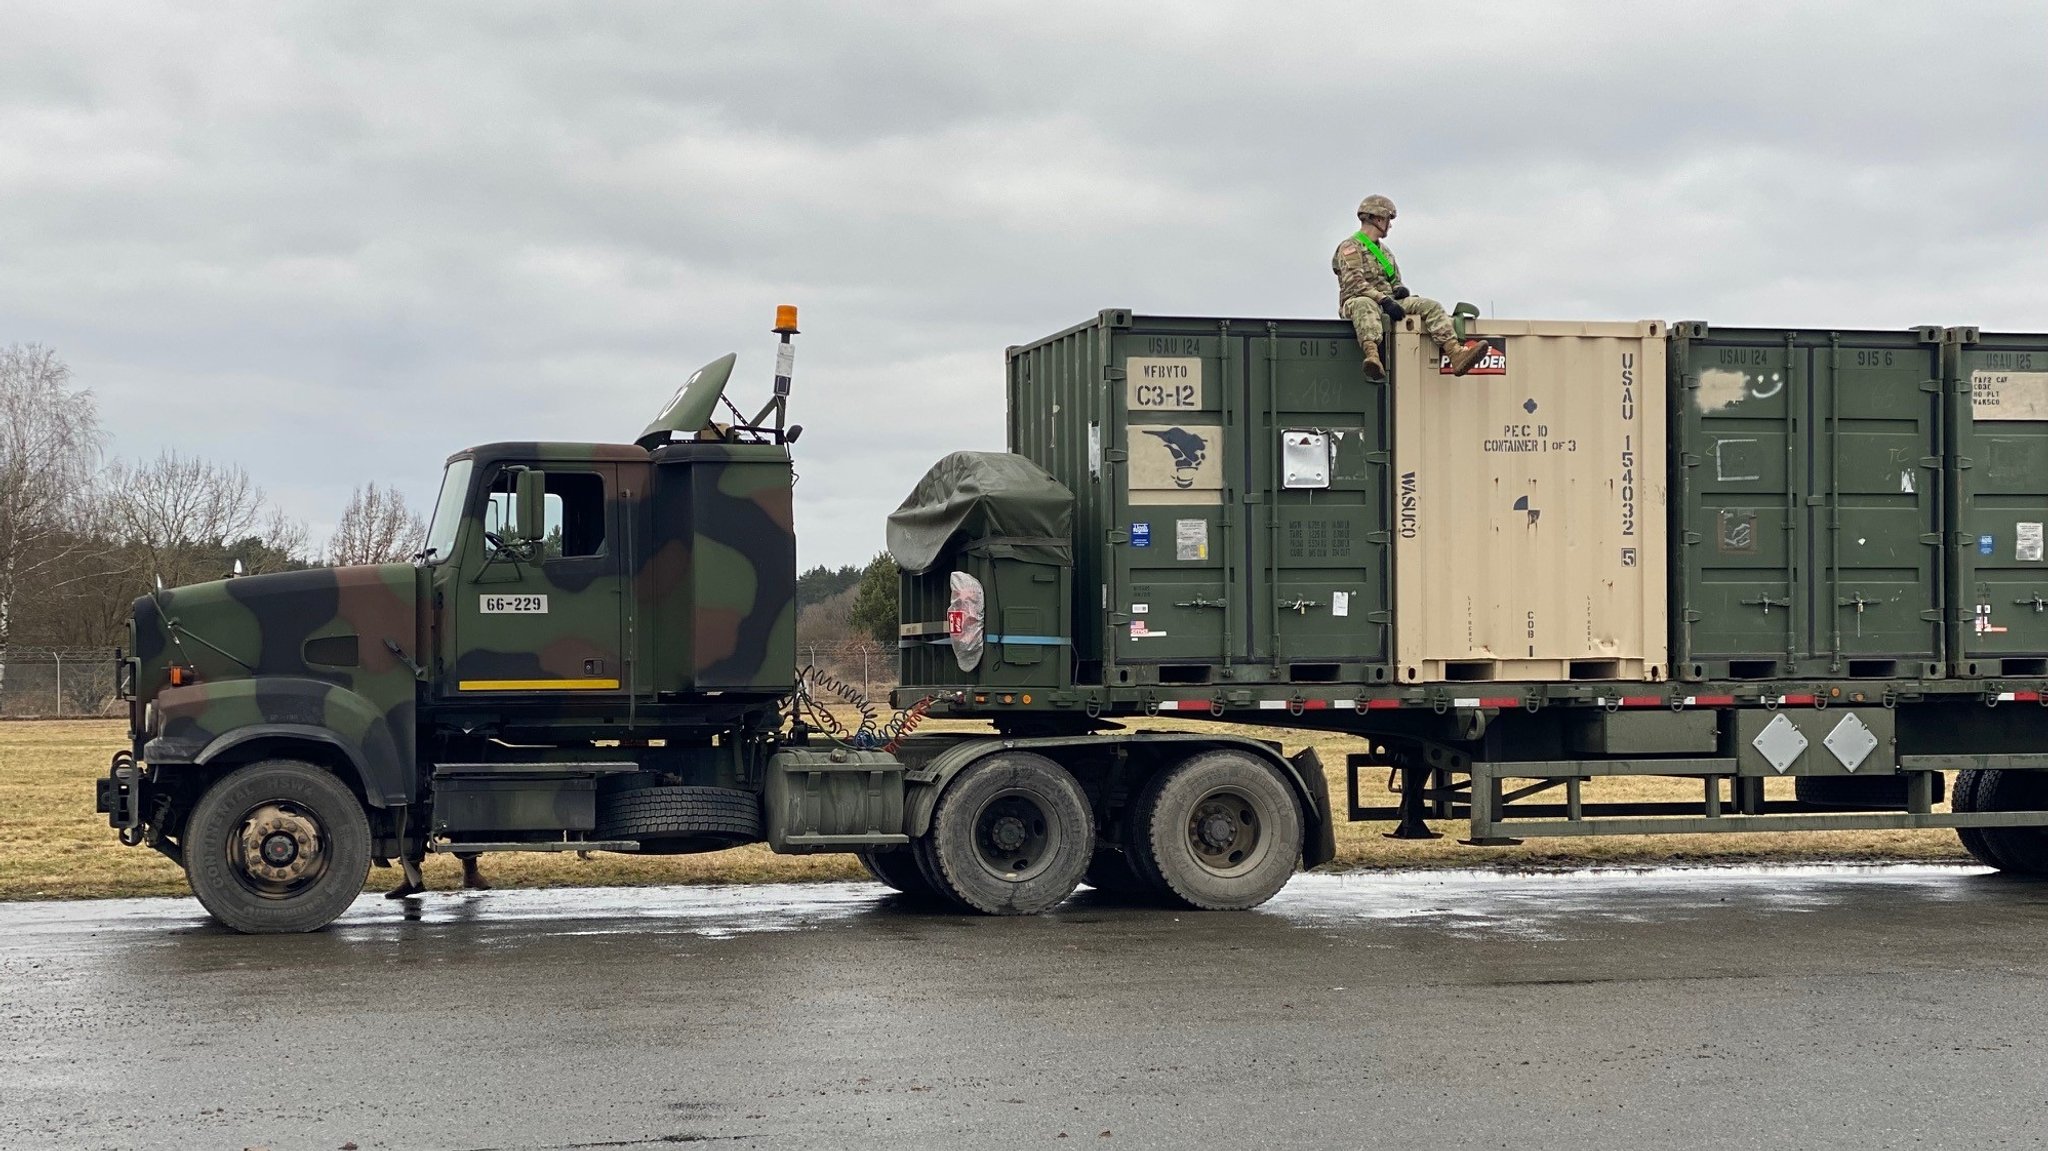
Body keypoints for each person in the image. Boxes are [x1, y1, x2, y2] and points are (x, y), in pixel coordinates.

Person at [1333, 194, 1490, 381]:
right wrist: (1383, 299)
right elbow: (1355, 284)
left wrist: (1399, 289)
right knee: (1364, 304)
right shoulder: (1350, 247)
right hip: (1357, 301)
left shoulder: (1384, 253)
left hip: (1388, 301)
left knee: (1430, 306)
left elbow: (1395, 280)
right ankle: (1372, 356)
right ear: (1378, 218)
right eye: (1388, 220)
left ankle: (1455, 353)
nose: (1390, 225)